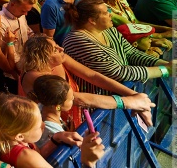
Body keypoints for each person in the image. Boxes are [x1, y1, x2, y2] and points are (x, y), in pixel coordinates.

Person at [21, 35, 156, 130]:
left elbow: (92, 76)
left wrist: (136, 95)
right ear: (43, 57)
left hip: (71, 115)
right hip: (50, 123)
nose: (61, 49)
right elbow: (76, 98)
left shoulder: (61, 59)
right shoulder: (35, 77)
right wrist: (129, 102)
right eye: (55, 49)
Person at [62, 0, 174, 91]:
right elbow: (117, 72)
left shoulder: (109, 30)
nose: (111, 15)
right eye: (106, 13)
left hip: (119, 97)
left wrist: (167, 64)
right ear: (92, 20)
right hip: (101, 106)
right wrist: (165, 70)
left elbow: (131, 53)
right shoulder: (78, 41)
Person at [0, 94, 104, 168]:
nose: (44, 125)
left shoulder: (10, 139)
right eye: (38, 126)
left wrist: (56, 138)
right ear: (20, 136)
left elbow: (40, 154)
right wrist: (87, 161)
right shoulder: (26, 156)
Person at [30, 75, 83, 150]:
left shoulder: (42, 105)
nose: (73, 98)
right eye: (70, 99)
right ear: (58, 106)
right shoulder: (52, 131)